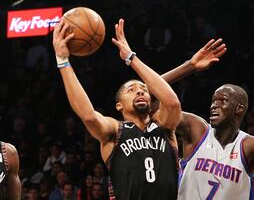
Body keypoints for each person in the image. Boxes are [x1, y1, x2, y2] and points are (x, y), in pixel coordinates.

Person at [53, 17, 224, 200]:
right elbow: (88, 115)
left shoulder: (164, 126)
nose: (139, 92)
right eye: (131, 90)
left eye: (143, 90)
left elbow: (172, 101)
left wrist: (130, 58)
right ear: (119, 105)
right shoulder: (115, 131)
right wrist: (63, 60)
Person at [159, 58, 254, 199]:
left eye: (222, 101)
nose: (214, 105)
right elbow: (149, 96)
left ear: (239, 109)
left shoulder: (249, 146)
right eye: (213, 101)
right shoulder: (197, 130)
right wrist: (189, 66)